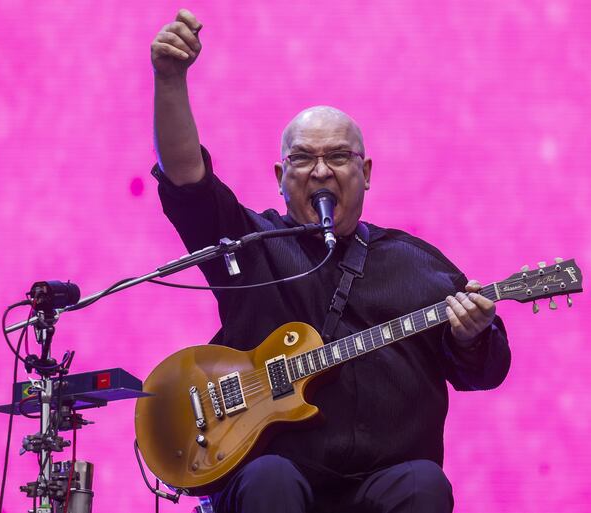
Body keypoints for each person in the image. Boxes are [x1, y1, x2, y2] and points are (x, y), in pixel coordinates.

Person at [149, 9, 511, 513]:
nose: (320, 170)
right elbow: (187, 179)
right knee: (271, 480)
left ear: (365, 172)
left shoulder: (418, 265)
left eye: (338, 157)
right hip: (274, 476)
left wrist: (471, 336)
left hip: (384, 484)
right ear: (280, 174)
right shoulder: (250, 244)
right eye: (302, 159)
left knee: (425, 485)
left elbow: (486, 372)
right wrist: (170, 79)